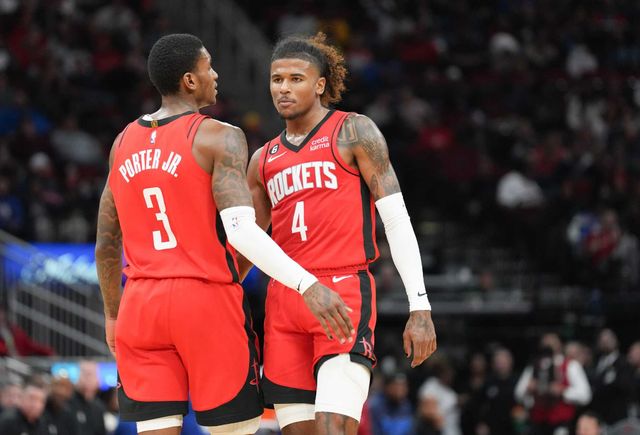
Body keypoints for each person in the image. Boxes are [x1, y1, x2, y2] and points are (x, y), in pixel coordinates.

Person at [95, 33, 353, 435]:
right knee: (236, 429)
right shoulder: (219, 135)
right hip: (205, 299)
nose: (215, 75)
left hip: (139, 306)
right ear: (190, 81)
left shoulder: (122, 142)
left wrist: (113, 314)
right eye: (208, 67)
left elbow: (106, 243)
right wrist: (306, 284)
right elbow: (241, 231)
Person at [238, 32, 436, 435]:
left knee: (333, 426)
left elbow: (396, 220)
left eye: (296, 79)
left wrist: (420, 307)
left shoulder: (354, 131)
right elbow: (247, 246)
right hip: (284, 301)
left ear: (320, 84)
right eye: (277, 79)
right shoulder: (262, 160)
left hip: (343, 290)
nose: (284, 88)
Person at [515, 333, 592, 435]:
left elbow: (585, 396)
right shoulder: (534, 366)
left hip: (562, 423)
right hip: (538, 423)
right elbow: (518, 394)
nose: (549, 346)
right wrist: (529, 390)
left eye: (552, 343)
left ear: (559, 346)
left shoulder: (571, 366)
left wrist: (563, 391)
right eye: (545, 344)